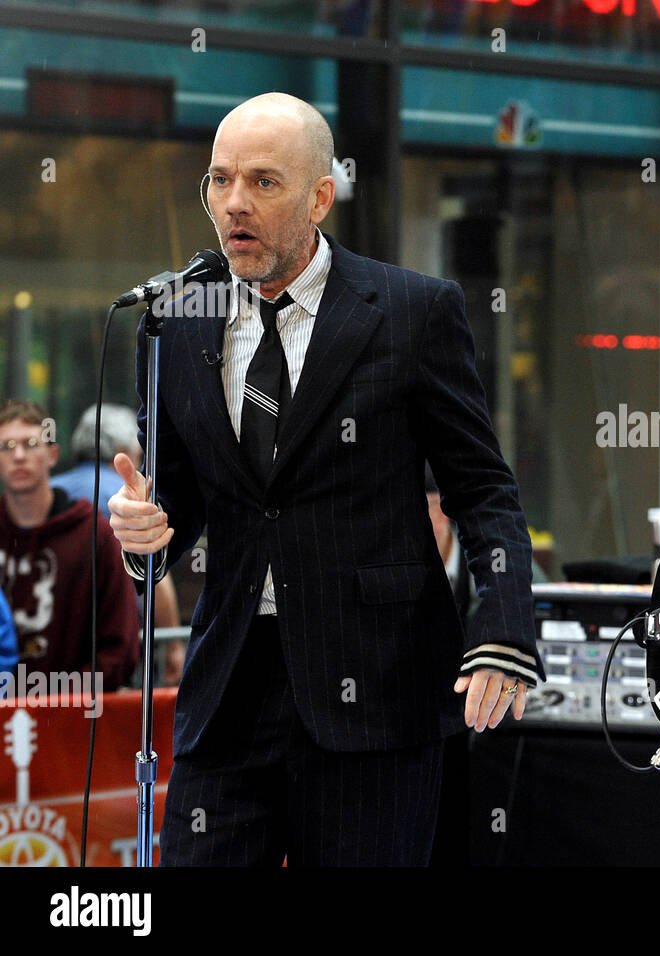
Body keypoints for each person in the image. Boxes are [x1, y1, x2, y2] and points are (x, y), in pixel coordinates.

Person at [107, 92, 541, 866]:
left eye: (264, 183)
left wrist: (502, 634)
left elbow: (483, 491)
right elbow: (179, 503)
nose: (234, 203)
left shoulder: (412, 311)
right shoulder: (179, 319)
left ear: (319, 195)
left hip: (376, 689)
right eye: (219, 180)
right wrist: (145, 533)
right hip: (230, 692)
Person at [0, 400, 140, 692]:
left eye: (30, 444)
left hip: (76, 718)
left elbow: (121, 644)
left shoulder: (92, 533)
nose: (20, 456)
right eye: (7, 447)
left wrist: (64, 702)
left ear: (52, 455)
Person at [50, 403, 182, 681]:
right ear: (125, 454)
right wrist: (172, 644)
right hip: (120, 645)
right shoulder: (130, 500)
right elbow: (154, 578)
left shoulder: (52, 490)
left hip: (58, 644)